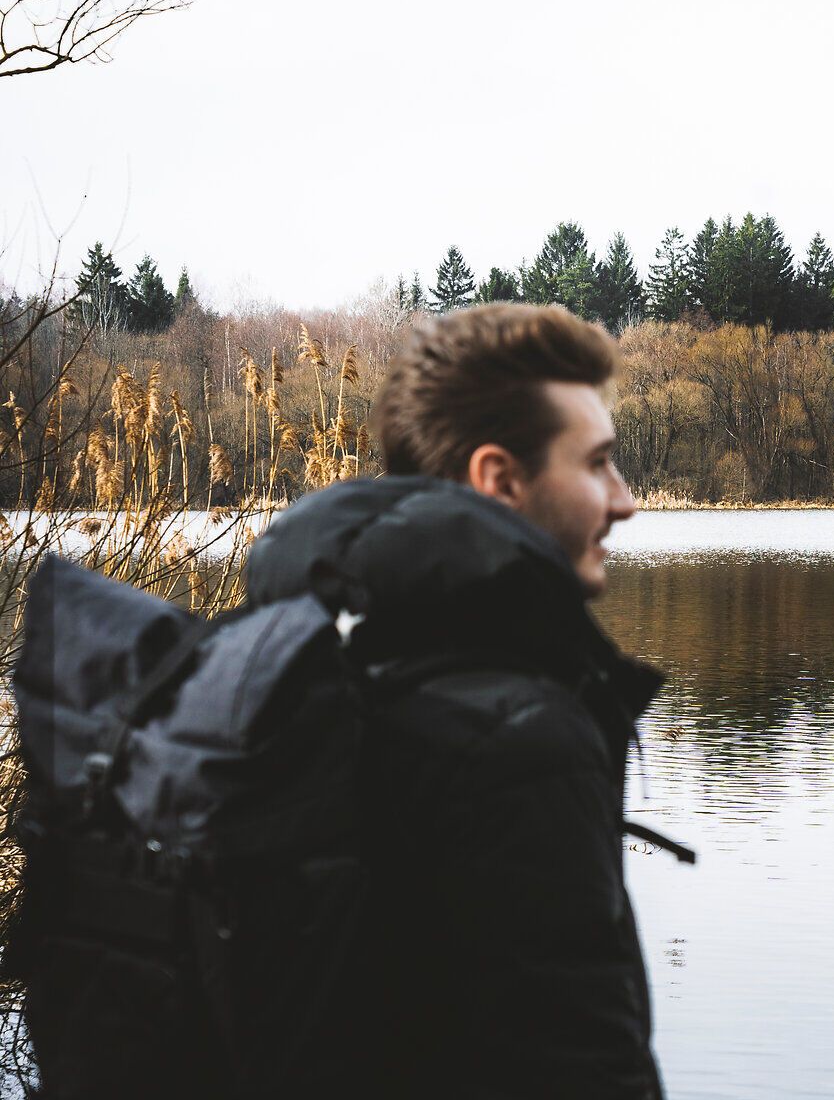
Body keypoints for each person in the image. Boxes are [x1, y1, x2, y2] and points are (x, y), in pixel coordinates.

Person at [241, 302, 664, 1097]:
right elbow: (580, 1069)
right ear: (499, 479)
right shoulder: (520, 741)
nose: (625, 499)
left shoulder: (320, 674)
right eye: (598, 463)